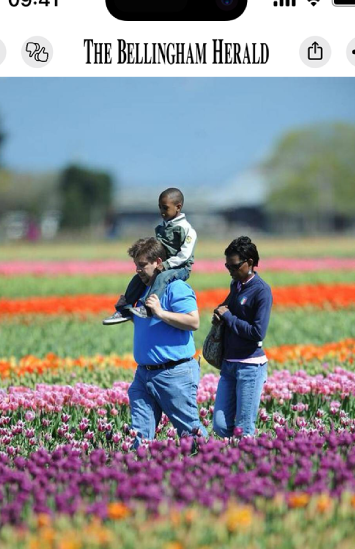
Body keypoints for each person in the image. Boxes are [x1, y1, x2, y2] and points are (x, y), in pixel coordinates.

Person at [126, 237, 207, 445]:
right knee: (139, 436)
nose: (138, 270)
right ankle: (140, 472)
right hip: (144, 374)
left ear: (158, 262)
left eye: (142, 265)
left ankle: (211, 464)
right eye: (136, 265)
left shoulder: (175, 287)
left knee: (191, 433)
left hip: (173, 373)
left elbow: (193, 321)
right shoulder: (143, 289)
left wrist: (161, 313)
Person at [103, 187, 197, 324]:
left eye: (165, 208)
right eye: (160, 208)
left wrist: (166, 265)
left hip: (180, 267)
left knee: (163, 277)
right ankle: (124, 310)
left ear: (178, 207)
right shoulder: (162, 226)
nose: (162, 212)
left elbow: (185, 255)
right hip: (163, 264)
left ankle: (147, 307)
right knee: (137, 278)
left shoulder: (186, 229)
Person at [212, 236, 272, 438]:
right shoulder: (236, 285)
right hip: (229, 364)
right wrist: (219, 314)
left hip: (250, 366)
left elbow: (257, 332)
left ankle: (244, 462)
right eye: (227, 266)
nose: (230, 270)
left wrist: (228, 316)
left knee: (244, 428)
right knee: (221, 425)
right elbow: (227, 308)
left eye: (234, 266)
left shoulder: (261, 291)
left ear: (250, 263)